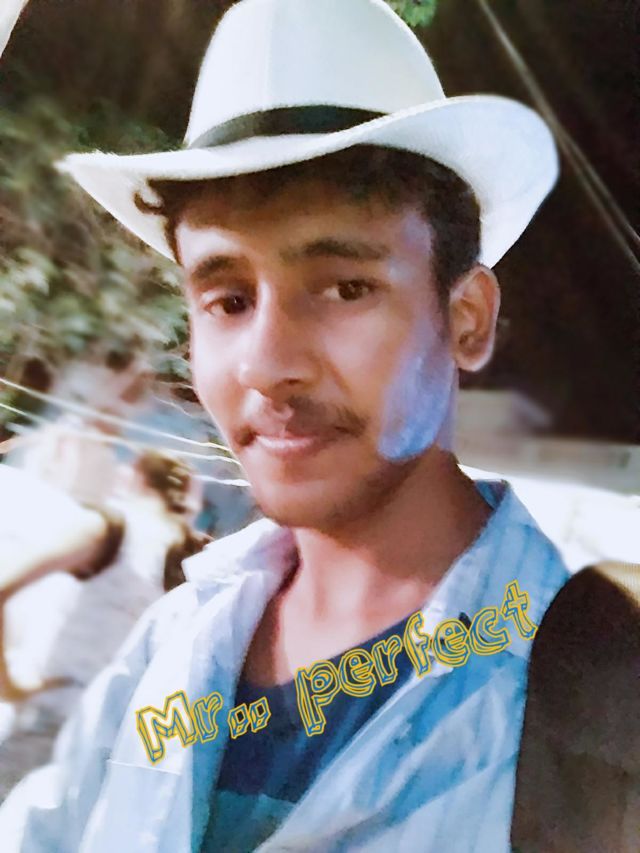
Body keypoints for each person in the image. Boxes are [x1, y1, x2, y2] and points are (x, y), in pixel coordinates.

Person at [0, 0, 571, 850]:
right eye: (228, 299)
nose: (267, 364)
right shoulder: (178, 639)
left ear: (466, 319)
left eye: (345, 287)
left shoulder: (583, 676)